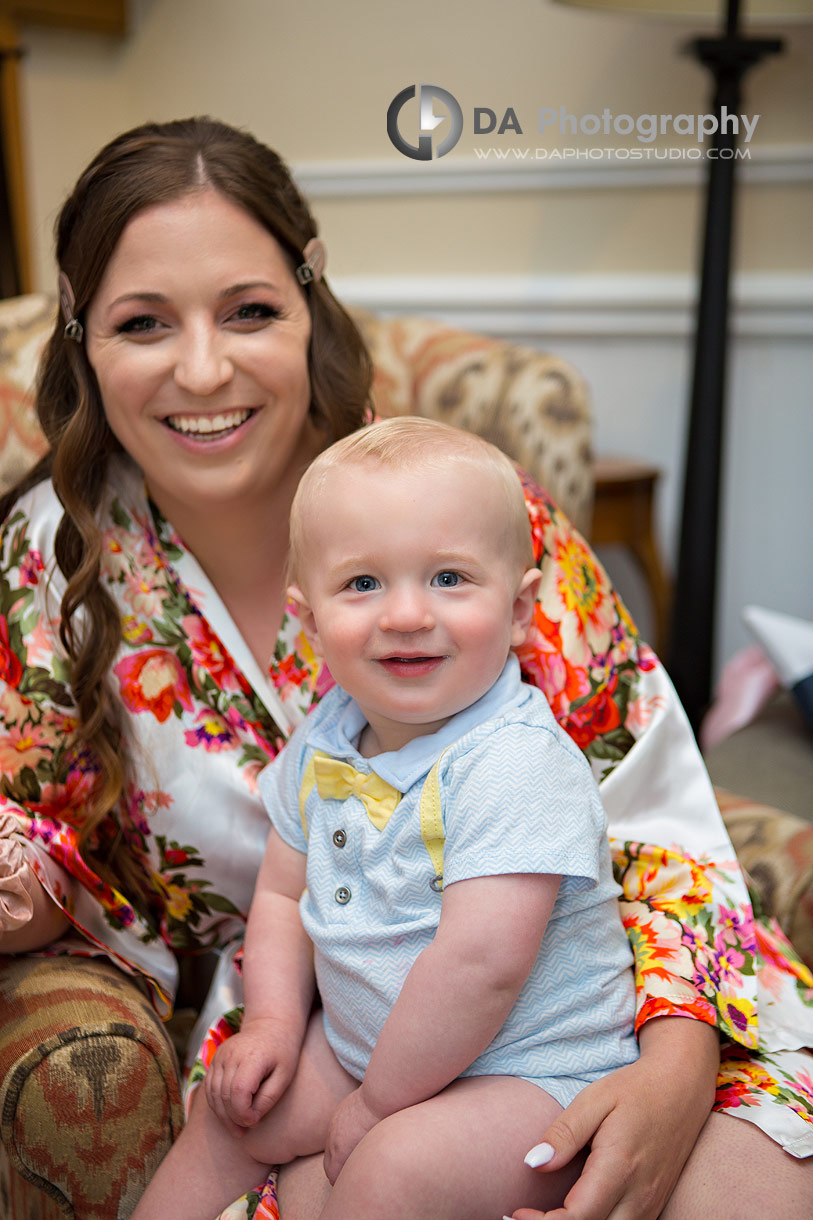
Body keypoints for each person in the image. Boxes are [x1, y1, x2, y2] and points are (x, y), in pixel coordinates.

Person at [0, 116, 810, 1220]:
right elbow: (43, 840)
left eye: (249, 311)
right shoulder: (48, 560)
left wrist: (671, 1066)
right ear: (82, 336)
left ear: (308, 305)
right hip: (321, 1040)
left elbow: (648, 810)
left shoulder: (459, 508)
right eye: (144, 322)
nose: (203, 368)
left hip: (611, 998)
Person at [129, 416, 641, 1220]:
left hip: (530, 1072)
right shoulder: (324, 739)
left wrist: (375, 1110)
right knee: (233, 1117)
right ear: (309, 619)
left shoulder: (514, 761)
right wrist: (268, 1023)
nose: (405, 614)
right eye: (362, 584)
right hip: (367, 1050)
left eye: (448, 579)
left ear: (518, 609)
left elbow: (481, 967)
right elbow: (278, 898)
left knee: (389, 1172)